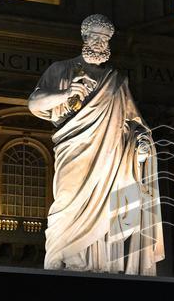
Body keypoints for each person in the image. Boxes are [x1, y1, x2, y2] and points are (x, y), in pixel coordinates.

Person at [29, 14, 164, 275]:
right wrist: (66, 93)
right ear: (85, 38)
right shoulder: (61, 69)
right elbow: (34, 103)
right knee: (67, 201)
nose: (100, 42)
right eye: (95, 37)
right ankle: (60, 260)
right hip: (73, 148)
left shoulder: (116, 81)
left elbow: (133, 121)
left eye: (105, 38)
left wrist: (141, 142)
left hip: (112, 155)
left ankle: (102, 264)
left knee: (111, 205)